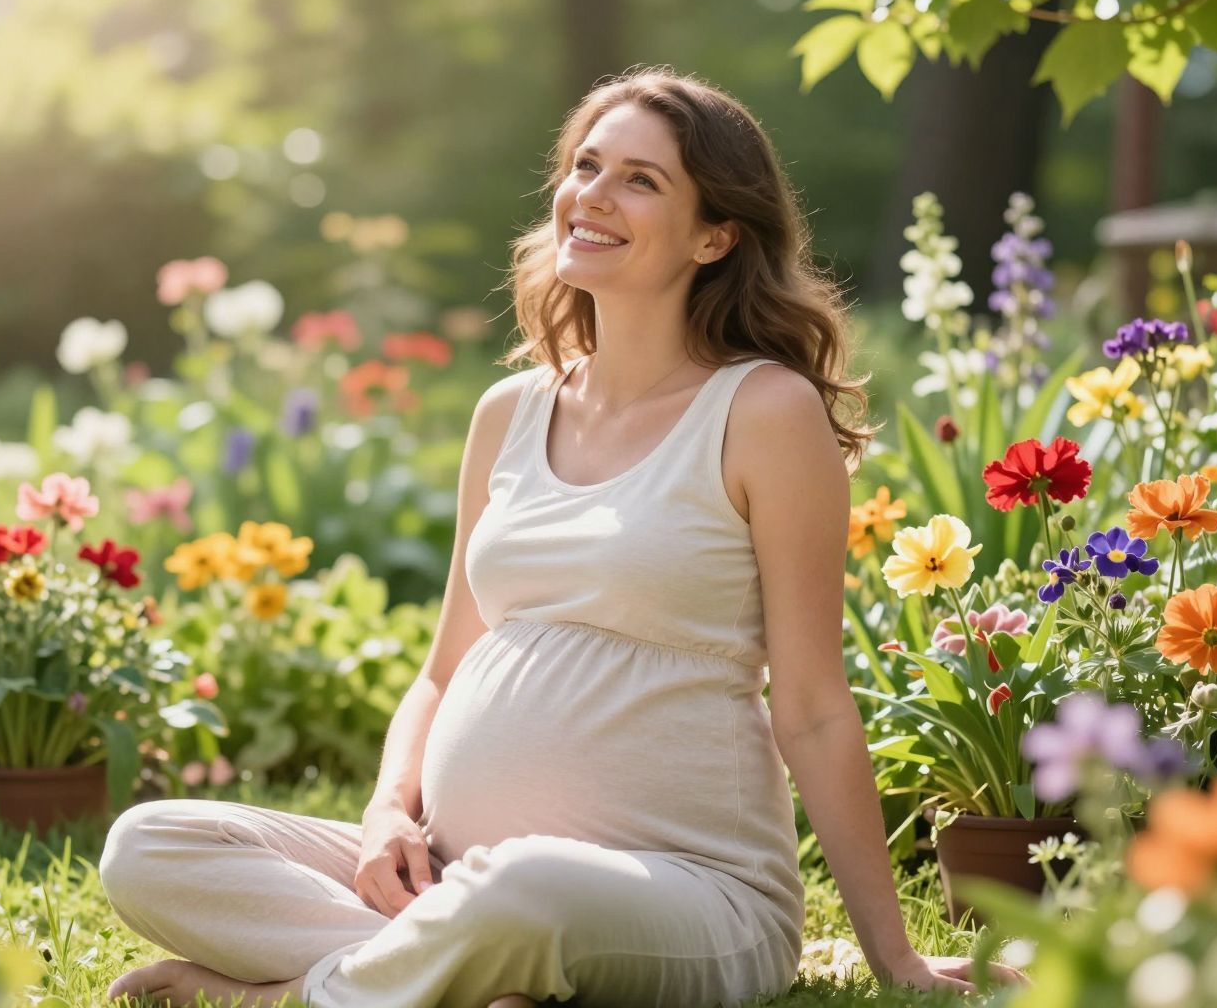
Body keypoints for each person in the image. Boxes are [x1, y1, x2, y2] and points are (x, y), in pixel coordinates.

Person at [98, 64, 1030, 1008]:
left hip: (690, 895)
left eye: (641, 180)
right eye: (587, 164)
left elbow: (816, 708)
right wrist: (387, 813)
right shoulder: (510, 411)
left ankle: (283, 996)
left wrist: (895, 959)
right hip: (459, 878)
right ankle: (448, 972)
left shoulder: (762, 411)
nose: (593, 194)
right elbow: (441, 670)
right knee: (152, 844)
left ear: (716, 235)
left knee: (526, 887)